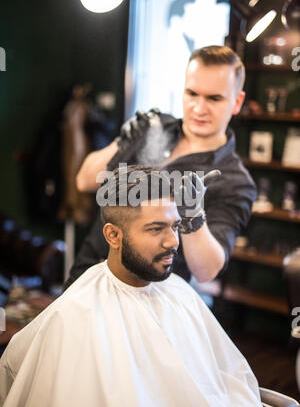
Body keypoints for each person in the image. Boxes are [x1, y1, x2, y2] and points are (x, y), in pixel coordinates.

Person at [0, 166, 267, 407]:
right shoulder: (75, 313)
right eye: (156, 229)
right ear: (113, 236)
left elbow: (226, 383)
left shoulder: (179, 292)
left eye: (175, 226)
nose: (173, 241)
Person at [64, 45, 257, 289]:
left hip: (150, 297)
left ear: (237, 101)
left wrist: (193, 215)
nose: (199, 108)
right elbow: (84, 180)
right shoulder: (153, 127)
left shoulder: (234, 181)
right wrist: (123, 143)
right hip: (88, 274)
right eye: (192, 94)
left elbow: (207, 270)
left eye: (214, 98)